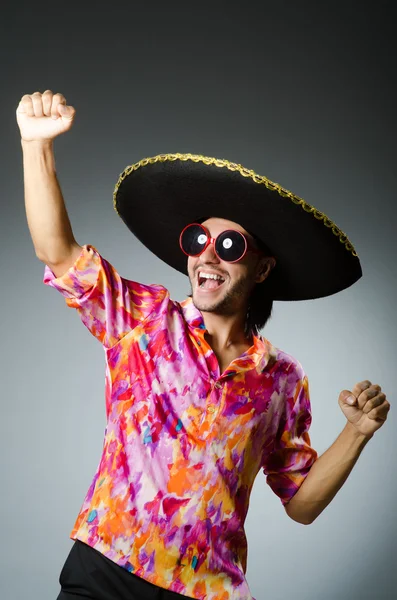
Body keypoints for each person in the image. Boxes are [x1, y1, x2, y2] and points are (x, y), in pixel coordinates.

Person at [17, 91, 391, 600]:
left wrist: (357, 432)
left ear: (261, 269)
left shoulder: (282, 379)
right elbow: (56, 251)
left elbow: (301, 503)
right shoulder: (143, 320)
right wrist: (35, 144)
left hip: (205, 591)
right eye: (197, 240)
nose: (207, 256)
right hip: (105, 569)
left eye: (230, 246)